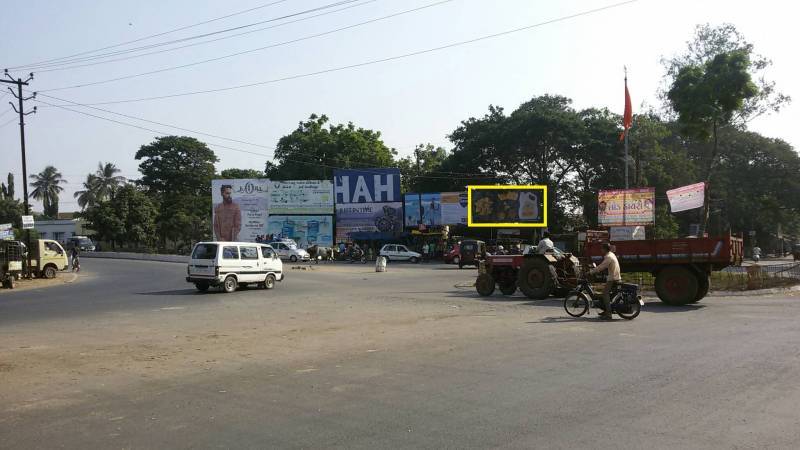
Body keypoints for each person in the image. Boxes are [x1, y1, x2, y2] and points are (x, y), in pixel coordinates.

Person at [589, 243, 621, 320]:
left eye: (602, 248)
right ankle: (606, 310)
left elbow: (601, 266)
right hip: (616, 277)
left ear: (605, 249)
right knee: (608, 294)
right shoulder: (611, 254)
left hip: (612, 279)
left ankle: (608, 314)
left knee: (605, 294)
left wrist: (591, 272)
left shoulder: (608, 257)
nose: (601, 250)